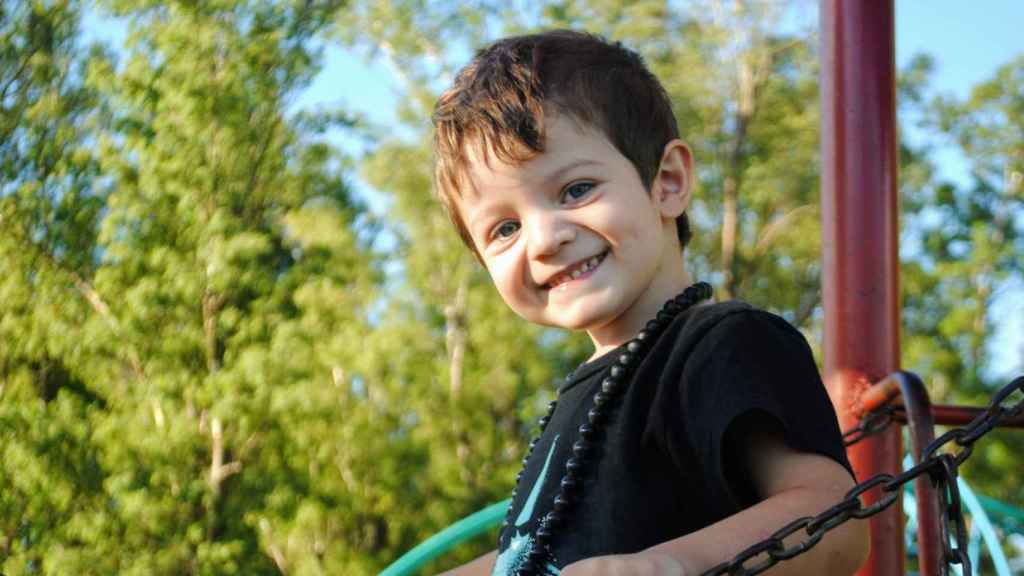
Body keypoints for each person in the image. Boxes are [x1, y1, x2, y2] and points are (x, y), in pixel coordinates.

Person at [429, 30, 869, 576]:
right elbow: (538, 554)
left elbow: (834, 519)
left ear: (667, 182)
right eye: (505, 228)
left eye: (576, 190)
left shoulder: (724, 343)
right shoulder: (584, 391)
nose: (544, 240)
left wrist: (669, 565)